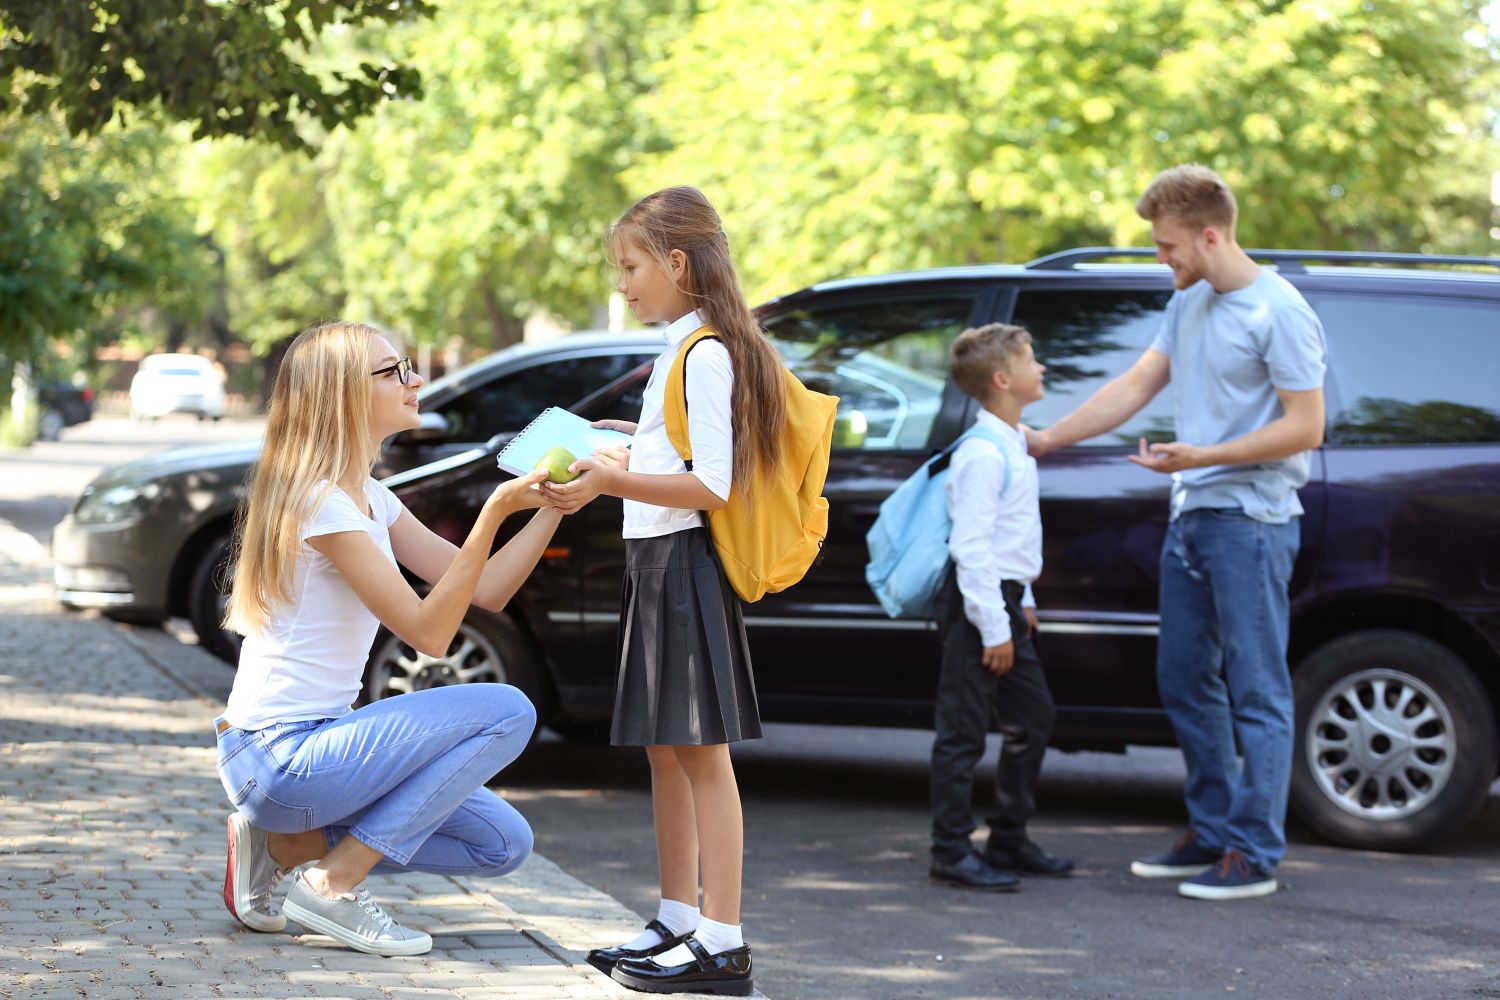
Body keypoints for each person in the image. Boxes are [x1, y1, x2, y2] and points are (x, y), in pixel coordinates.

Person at [1026, 164, 1327, 901]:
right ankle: (1214, 828)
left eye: (1168, 246)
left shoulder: (1279, 311)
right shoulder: (1188, 302)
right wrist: (1046, 440)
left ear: (1211, 234)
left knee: (1257, 689)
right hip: (1192, 516)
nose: (1162, 259)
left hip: (1250, 521)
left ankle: (1254, 853)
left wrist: (1206, 455)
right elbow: (1134, 385)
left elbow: (1306, 426)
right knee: (1183, 679)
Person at [214, 320, 560, 956]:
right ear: (343, 394)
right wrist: (492, 512)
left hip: (319, 752)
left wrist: (550, 507)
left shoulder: (373, 498)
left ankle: (289, 847)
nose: (416, 380)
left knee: (501, 845)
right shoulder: (320, 505)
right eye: (394, 371)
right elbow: (431, 634)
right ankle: (331, 883)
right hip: (277, 757)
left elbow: (485, 591)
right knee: (507, 710)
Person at [541, 186, 779, 996]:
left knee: (701, 753)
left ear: (677, 264)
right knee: (665, 749)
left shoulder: (705, 352)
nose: (623, 282)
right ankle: (678, 917)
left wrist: (611, 477)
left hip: (685, 565)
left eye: (632, 265)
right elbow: (678, 456)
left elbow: (712, 484)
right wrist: (626, 444)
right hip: (656, 564)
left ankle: (724, 940)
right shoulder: (683, 350)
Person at [928, 323, 1075, 892]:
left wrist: (1025, 602)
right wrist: (995, 628)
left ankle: (1009, 837)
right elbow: (971, 548)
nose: (1041, 368)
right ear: (1002, 379)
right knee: (963, 730)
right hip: (977, 605)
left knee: (1033, 717)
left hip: (1006, 600)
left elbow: (1011, 538)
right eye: (1032, 358)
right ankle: (950, 851)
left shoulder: (1013, 443)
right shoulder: (983, 454)